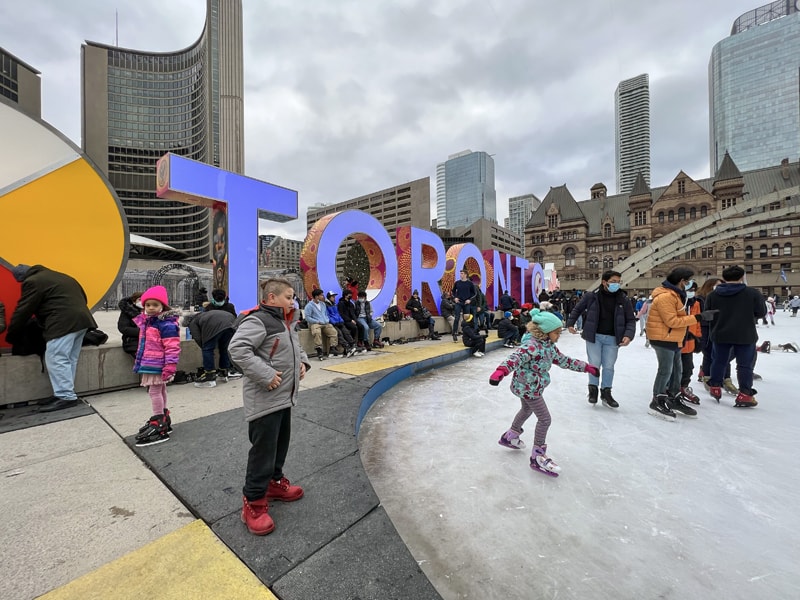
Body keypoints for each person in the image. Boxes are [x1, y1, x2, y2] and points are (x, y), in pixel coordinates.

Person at [228, 278, 309, 536]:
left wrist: (303, 363)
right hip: (265, 398)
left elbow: (294, 347)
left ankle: (274, 483)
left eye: (293, 297)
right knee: (263, 451)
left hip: (283, 397)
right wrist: (265, 375)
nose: (293, 301)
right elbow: (238, 349)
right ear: (271, 298)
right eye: (288, 296)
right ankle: (253, 503)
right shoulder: (258, 320)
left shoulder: (286, 321)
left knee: (280, 444)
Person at [489, 309, 599, 477]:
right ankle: (537, 456)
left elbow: (564, 361)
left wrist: (585, 367)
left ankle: (511, 435)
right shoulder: (532, 346)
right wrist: (501, 371)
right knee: (545, 418)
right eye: (556, 332)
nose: (559, 335)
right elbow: (515, 358)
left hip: (529, 387)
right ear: (545, 332)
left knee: (526, 410)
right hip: (529, 388)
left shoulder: (549, 347)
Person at [6, 264, 97, 412]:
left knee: (56, 357)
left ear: (23, 278)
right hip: (82, 320)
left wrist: (12, 333)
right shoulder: (62, 276)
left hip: (62, 322)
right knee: (69, 358)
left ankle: (66, 396)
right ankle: (63, 392)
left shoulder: (33, 281)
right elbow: (83, 296)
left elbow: (24, 309)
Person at [646, 267, 717, 421]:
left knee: (678, 371)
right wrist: (699, 317)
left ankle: (673, 397)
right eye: (688, 281)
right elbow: (672, 321)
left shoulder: (676, 295)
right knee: (665, 370)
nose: (690, 284)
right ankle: (657, 400)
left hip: (674, 338)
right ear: (681, 281)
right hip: (663, 338)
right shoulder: (666, 297)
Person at [565, 270, 636, 408]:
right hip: (594, 336)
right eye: (613, 281)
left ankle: (606, 392)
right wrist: (570, 323)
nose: (616, 284)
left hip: (613, 338)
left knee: (609, 366)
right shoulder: (591, 296)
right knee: (594, 364)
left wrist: (628, 334)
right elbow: (577, 309)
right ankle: (593, 390)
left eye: (618, 282)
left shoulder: (623, 298)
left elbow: (630, 320)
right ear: (604, 282)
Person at [705, 265, 767, 407]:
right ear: (741, 277)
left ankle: (715, 386)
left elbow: (707, 314)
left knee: (719, 360)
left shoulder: (712, 295)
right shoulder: (752, 293)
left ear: (725, 278)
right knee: (745, 365)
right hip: (745, 334)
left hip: (720, 333)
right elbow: (761, 312)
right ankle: (745, 393)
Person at [132, 285, 181, 446]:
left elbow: (172, 347)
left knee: (154, 391)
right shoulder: (148, 322)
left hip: (156, 363)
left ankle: (158, 420)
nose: (151, 308)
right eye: (148, 305)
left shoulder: (166, 324)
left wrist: (170, 366)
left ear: (163, 306)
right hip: (151, 361)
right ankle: (163, 417)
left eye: (155, 305)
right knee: (160, 389)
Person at [182, 293, 240, 388]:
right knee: (224, 348)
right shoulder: (202, 315)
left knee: (207, 349)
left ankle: (210, 375)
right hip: (230, 322)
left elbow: (198, 338)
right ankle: (224, 371)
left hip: (217, 325)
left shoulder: (192, 322)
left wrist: (206, 348)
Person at [677, 282, 703, 405]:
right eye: (689, 289)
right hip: (674, 341)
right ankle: (669, 388)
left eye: (694, 289)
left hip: (689, 342)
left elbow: (697, 322)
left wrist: (698, 336)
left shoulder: (696, 303)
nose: (692, 291)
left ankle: (684, 386)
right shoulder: (676, 301)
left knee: (688, 367)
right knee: (673, 367)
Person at [304, 289, 339, 360]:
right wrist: (316, 321)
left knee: (333, 332)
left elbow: (325, 314)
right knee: (316, 332)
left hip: (325, 322)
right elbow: (307, 317)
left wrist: (327, 320)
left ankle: (332, 348)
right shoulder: (309, 306)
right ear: (316, 296)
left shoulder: (323, 304)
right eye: (321, 295)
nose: (323, 296)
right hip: (315, 323)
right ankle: (319, 350)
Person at [325, 291, 357, 356]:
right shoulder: (326, 305)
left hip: (339, 322)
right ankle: (346, 347)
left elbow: (338, 314)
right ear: (329, 297)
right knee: (339, 333)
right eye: (332, 297)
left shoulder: (334, 304)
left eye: (334, 297)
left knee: (345, 331)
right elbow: (328, 316)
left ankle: (352, 344)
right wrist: (334, 322)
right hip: (333, 323)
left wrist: (341, 321)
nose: (334, 298)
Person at [451, 269, 477, 341]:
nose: (461, 275)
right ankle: (454, 333)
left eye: (462, 273)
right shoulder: (457, 283)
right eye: (460, 273)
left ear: (466, 274)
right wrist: (455, 298)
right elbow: (453, 292)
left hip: (466, 303)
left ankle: (467, 333)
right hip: (459, 303)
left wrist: (469, 300)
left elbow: (474, 293)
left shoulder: (470, 283)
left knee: (467, 319)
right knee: (457, 318)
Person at [117, 291, 143, 358]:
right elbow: (123, 328)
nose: (142, 302)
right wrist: (142, 332)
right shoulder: (127, 311)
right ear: (134, 301)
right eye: (140, 299)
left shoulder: (150, 311)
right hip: (132, 342)